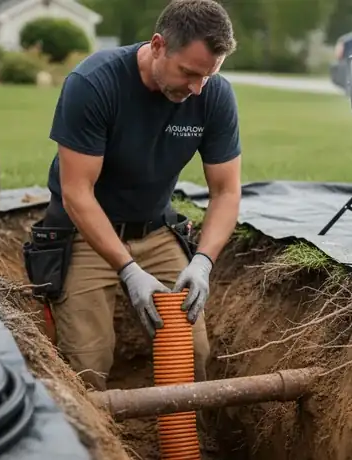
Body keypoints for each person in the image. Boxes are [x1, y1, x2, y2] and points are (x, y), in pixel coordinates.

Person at [40, 0, 242, 391]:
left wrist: (202, 261)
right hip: (86, 233)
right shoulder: (95, 83)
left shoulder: (212, 94)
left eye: (209, 75)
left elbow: (226, 191)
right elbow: (76, 193)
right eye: (189, 72)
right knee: (87, 362)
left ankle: (187, 444)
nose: (197, 87)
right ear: (158, 45)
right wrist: (128, 270)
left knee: (192, 352)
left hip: (155, 227)